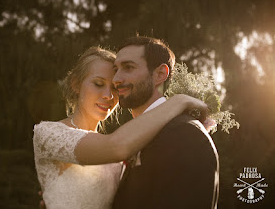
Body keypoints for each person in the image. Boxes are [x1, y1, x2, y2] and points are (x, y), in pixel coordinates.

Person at [33, 46, 209, 209]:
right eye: (98, 84)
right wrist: (179, 101)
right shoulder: (47, 134)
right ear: (76, 84)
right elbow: (117, 146)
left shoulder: (118, 149)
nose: (108, 96)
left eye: (115, 89)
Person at [112, 36, 219, 209]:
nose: (116, 78)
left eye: (128, 68)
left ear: (160, 74)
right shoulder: (131, 137)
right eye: (115, 70)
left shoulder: (185, 134)